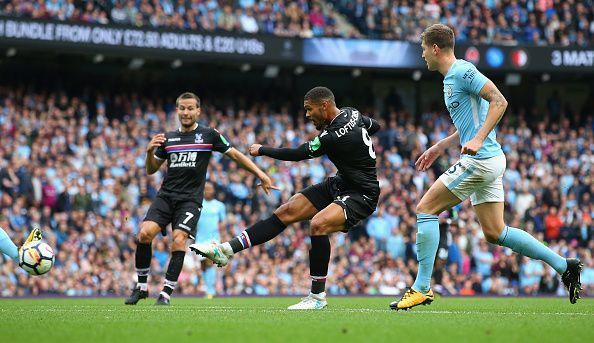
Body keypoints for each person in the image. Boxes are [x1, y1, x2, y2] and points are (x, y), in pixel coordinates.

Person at [390, 24, 582, 311]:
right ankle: (564, 266)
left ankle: (421, 287)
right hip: (489, 161)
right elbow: (470, 123)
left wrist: (479, 139)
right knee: (495, 232)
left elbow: (499, 100)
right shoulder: (449, 80)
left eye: (423, 49)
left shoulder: (462, 71)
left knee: (425, 209)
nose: (421, 55)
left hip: (481, 160)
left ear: (435, 48)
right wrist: (441, 146)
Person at [190, 86, 380, 310]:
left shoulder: (332, 136)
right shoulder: (353, 113)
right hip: (340, 183)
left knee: (318, 224)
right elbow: (374, 126)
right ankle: (225, 250)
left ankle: (317, 297)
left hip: (362, 193)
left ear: (324, 105)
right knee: (286, 211)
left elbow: (298, 154)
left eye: (309, 110)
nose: (307, 115)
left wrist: (262, 150)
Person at [124, 92, 276, 306]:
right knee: (144, 234)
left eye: (190, 108)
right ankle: (141, 287)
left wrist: (261, 174)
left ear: (198, 111)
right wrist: (149, 152)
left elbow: (235, 155)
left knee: (178, 240)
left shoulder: (209, 135)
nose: (186, 112)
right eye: (182, 108)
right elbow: (151, 170)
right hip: (166, 196)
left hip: (190, 200)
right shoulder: (167, 138)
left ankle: (166, 293)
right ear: (177, 111)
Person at [194, 181, 226, 298]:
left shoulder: (219, 205)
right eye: (205, 189)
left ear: (213, 191)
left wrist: (221, 234)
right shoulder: (198, 204)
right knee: (203, 265)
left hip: (213, 239)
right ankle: (208, 288)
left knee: (209, 262)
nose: (207, 191)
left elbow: (223, 222)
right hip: (200, 239)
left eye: (209, 189)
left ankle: (211, 291)